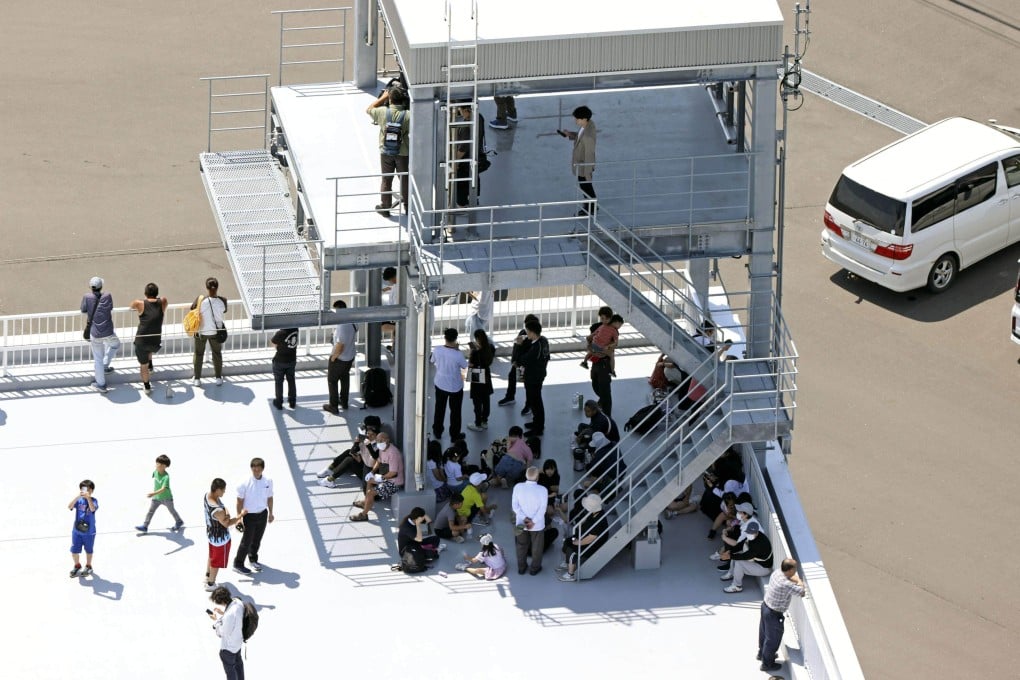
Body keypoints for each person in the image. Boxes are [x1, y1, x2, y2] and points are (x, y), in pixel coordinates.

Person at [366, 84, 409, 216]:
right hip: (403, 152)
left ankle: (385, 207)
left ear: (390, 98)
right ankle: (408, 206)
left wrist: (383, 97)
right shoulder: (408, 115)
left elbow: (369, 109)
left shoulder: (382, 112)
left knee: (386, 180)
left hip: (386, 152)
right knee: (404, 179)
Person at [758, 558, 807, 673]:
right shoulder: (785, 584)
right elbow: (802, 592)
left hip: (765, 607)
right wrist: (800, 582)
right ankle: (767, 664)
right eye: (795, 568)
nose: (796, 570)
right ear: (790, 570)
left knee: (764, 633)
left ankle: (762, 654)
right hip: (773, 614)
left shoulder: (777, 573)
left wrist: (795, 579)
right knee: (773, 639)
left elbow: (792, 578)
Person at [350, 432, 404, 521]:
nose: (379, 442)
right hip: (386, 477)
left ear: (387, 440)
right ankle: (366, 501)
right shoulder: (382, 450)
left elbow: (393, 473)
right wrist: (372, 472)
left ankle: (364, 514)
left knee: (370, 492)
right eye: (378, 441)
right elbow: (378, 462)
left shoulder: (393, 453)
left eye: (381, 440)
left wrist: (382, 478)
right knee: (369, 480)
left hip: (394, 482)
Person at [233, 458, 274, 575]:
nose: (256, 471)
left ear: (262, 469)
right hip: (248, 516)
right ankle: (238, 564)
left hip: (262, 514)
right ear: (251, 468)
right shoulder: (244, 483)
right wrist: (239, 518)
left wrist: (270, 513)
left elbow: (270, 497)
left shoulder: (268, 481)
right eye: (254, 469)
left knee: (257, 540)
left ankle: (253, 559)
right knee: (246, 541)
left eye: (258, 469)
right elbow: (239, 501)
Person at [81, 276, 121, 394]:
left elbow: (83, 310)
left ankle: (101, 384)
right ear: (101, 286)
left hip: (95, 333)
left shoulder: (87, 297)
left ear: (91, 287)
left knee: (98, 358)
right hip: (108, 331)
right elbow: (110, 307)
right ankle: (105, 365)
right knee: (115, 344)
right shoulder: (107, 296)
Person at [557, 493, 609, 582]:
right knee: (567, 541)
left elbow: (591, 538)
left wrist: (578, 542)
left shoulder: (599, 520)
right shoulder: (594, 513)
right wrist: (576, 538)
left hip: (593, 543)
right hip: (583, 536)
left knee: (572, 549)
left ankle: (570, 575)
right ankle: (568, 563)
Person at [205, 478, 245, 591]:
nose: (224, 492)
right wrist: (240, 515)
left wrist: (225, 514)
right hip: (220, 540)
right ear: (217, 490)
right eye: (223, 490)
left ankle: (208, 576)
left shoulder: (208, 496)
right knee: (216, 563)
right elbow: (227, 523)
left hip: (211, 534)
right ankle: (210, 584)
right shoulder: (217, 510)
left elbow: (224, 510)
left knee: (211, 556)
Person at [129, 282, 166, 395]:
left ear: (145, 293)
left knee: (142, 365)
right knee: (149, 349)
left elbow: (131, 306)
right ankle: (150, 365)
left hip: (142, 340)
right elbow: (161, 300)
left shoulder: (139, 303)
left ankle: (147, 386)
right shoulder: (163, 301)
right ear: (157, 293)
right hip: (155, 340)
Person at [431, 328, 468, 441]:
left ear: (445, 338)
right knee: (456, 412)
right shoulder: (458, 354)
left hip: (440, 383)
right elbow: (464, 366)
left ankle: (437, 431)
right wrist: (457, 350)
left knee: (439, 408)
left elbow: (432, 360)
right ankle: (454, 435)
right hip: (455, 386)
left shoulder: (437, 350)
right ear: (456, 339)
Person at [559, 105, 597, 216]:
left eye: (577, 119)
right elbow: (580, 137)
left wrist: (586, 173)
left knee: (586, 187)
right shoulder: (588, 125)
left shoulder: (588, 137)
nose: (576, 121)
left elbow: (589, 154)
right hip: (582, 165)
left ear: (584, 119)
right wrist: (570, 134)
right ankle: (591, 205)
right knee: (585, 187)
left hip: (584, 166)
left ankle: (590, 209)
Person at [323, 300, 358, 414]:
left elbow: (340, 345)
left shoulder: (342, 325)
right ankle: (344, 401)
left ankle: (333, 406)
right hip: (350, 356)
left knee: (332, 381)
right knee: (344, 378)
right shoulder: (352, 320)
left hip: (340, 358)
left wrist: (333, 357)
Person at [511, 466, 548, 575]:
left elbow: (515, 506)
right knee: (537, 547)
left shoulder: (518, 487)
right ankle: (534, 569)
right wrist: (532, 521)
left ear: (526, 475)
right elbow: (542, 509)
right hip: (537, 525)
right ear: (537, 477)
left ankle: (521, 568)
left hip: (520, 523)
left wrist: (524, 518)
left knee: (520, 546)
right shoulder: (543, 490)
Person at [498, 313, 537, 412]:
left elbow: (531, 354)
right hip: (517, 363)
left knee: (528, 385)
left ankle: (529, 405)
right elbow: (516, 348)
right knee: (512, 377)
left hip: (527, 365)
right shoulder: (523, 333)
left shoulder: (536, 338)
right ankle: (510, 397)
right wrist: (514, 361)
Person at [192, 277, 227, 387]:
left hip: (201, 332)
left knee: (198, 354)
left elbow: (192, 309)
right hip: (216, 332)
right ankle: (218, 377)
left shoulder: (200, 300)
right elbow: (224, 310)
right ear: (217, 287)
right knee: (217, 354)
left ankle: (197, 379)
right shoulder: (223, 300)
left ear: (207, 288)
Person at [135, 454, 184, 533]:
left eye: (160, 464)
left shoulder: (166, 477)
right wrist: (155, 495)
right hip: (156, 498)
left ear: (165, 466)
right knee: (150, 511)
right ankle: (145, 526)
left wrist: (153, 493)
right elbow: (154, 476)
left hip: (167, 498)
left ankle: (179, 521)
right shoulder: (155, 472)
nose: (157, 465)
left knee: (172, 511)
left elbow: (163, 489)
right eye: (157, 463)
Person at [720, 521, 773, 592]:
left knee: (739, 562)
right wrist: (730, 551)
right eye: (748, 532)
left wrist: (729, 556)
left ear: (757, 532)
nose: (749, 534)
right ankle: (731, 573)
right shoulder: (752, 537)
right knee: (736, 554)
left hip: (764, 568)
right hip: (756, 561)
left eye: (751, 533)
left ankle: (737, 586)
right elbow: (741, 545)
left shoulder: (760, 544)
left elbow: (746, 556)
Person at [519, 319, 550, 437]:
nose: (526, 334)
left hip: (533, 377)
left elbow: (524, 359)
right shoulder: (544, 341)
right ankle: (537, 423)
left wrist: (520, 345)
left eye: (527, 332)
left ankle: (538, 428)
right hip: (539, 374)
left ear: (532, 332)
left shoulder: (536, 347)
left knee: (536, 402)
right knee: (535, 401)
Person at [208, 586, 245, 680]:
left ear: (221, 602)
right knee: (239, 667)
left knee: (230, 672)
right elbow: (235, 618)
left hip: (229, 649)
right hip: (238, 643)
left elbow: (223, 632)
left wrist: (216, 621)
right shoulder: (238, 602)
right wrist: (223, 613)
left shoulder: (229, 615)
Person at [466, 328, 495, 432]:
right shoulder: (490, 347)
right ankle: (484, 421)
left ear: (477, 339)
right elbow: (489, 361)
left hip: (477, 376)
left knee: (477, 401)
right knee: (486, 399)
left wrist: (471, 353)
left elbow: (471, 364)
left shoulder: (475, 352)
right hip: (486, 375)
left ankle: (477, 423)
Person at [68, 479, 98, 577]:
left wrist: (88, 498)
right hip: (77, 531)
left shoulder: (94, 500)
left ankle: (89, 566)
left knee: (89, 550)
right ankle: (77, 565)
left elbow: (93, 509)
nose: (86, 491)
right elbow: (69, 506)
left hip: (89, 532)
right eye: (84, 489)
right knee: (74, 551)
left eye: (88, 490)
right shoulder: (79, 500)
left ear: (92, 490)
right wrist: (78, 496)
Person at [269, 327, 298, 410]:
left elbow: (272, 342)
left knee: (279, 382)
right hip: (292, 360)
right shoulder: (295, 330)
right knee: (291, 380)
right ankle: (292, 401)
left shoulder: (280, 333)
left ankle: (279, 402)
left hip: (280, 361)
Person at [580, 306, 612, 370]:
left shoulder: (612, 328)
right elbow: (590, 340)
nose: (605, 321)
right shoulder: (596, 327)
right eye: (603, 318)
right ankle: (584, 362)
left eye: (607, 319)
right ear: (600, 317)